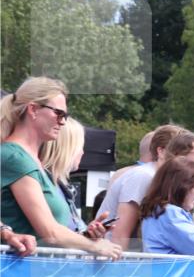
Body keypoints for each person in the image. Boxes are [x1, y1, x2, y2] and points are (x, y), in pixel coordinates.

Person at [1, 77, 120, 259]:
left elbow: (48, 234)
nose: (63, 122)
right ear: (33, 109)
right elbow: (50, 233)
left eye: (65, 116)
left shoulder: (31, 161)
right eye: (58, 113)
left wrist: (85, 237)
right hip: (16, 272)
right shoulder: (15, 157)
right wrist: (95, 246)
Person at [98, 123, 184, 249]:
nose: (184, 159)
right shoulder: (143, 176)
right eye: (178, 152)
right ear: (161, 151)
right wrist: (118, 261)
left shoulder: (157, 178)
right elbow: (120, 234)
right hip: (111, 254)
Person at [39, 117, 106, 236]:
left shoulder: (56, 184)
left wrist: (87, 234)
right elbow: (54, 235)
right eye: (80, 146)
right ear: (66, 147)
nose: (82, 152)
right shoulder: (43, 183)